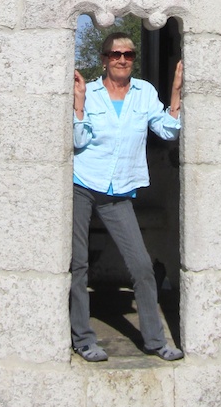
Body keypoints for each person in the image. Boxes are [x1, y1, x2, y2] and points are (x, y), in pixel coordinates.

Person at [71, 32, 184, 363]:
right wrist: (78, 105)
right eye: (115, 54)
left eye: (129, 55)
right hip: (83, 183)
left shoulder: (144, 92)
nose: (122, 59)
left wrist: (176, 92)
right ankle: (84, 339)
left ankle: (154, 340)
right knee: (77, 266)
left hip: (118, 190)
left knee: (141, 267)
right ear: (104, 58)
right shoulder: (89, 93)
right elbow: (78, 142)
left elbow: (168, 130)